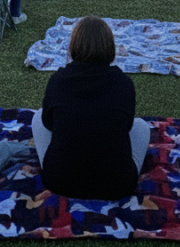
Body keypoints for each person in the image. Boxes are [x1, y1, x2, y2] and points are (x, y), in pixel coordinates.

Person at [31, 15, 150, 200]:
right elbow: (126, 127)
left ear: (73, 46)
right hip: (118, 184)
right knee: (141, 126)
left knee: (38, 117)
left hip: (60, 181)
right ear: (109, 48)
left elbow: (48, 123)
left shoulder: (58, 81)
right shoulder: (123, 83)